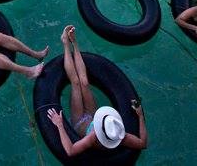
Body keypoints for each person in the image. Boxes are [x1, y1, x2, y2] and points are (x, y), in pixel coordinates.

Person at [44, 25, 148, 156]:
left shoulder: (92, 137)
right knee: (85, 83)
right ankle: (74, 42)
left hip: (80, 122)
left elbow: (70, 151)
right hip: (92, 116)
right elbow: (142, 143)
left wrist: (60, 125)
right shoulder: (119, 135)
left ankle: (65, 42)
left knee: (75, 83)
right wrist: (140, 116)